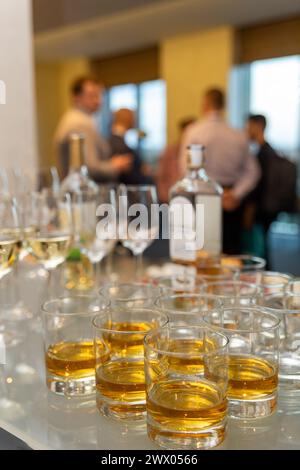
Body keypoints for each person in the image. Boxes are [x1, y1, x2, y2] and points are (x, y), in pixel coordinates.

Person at [179, 88, 261, 254]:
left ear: (205, 104)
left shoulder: (194, 131)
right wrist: (236, 193)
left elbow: (186, 169)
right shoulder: (238, 134)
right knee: (231, 252)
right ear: (224, 105)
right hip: (231, 200)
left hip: (203, 197)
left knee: (203, 251)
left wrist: (214, 193)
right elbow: (253, 172)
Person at [54, 76, 132, 181]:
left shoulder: (78, 119)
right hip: (82, 191)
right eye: (92, 95)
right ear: (76, 97)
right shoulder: (79, 123)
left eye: (99, 95)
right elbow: (88, 167)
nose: (98, 100)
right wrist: (114, 166)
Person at [245, 114, 297, 264]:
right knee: (263, 247)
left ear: (257, 126)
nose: (246, 129)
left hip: (260, 208)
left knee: (258, 251)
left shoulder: (262, 154)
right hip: (270, 207)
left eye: (249, 126)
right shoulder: (270, 150)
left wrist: (250, 210)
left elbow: (259, 186)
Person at [157, 117, 196, 203]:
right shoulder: (170, 151)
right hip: (170, 199)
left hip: (192, 200)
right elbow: (161, 177)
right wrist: (166, 198)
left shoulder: (197, 155)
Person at [109, 108, 153, 185]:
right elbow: (128, 176)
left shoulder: (114, 141)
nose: (135, 121)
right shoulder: (120, 146)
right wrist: (144, 175)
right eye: (133, 118)